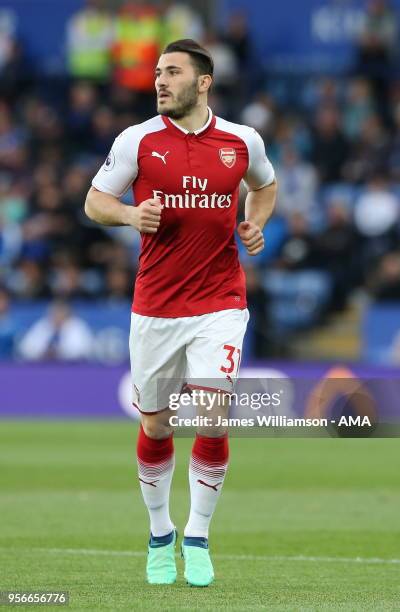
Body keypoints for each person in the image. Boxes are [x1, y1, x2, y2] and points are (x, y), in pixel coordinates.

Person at [85, 38, 277, 587]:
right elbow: (94, 200)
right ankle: (159, 532)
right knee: (156, 423)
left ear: (203, 81)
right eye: (157, 73)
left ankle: (197, 535)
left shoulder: (241, 141)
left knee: (213, 414)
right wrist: (127, 214)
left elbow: (264, 185)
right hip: (156, 305)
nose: (160, 82)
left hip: (220, 300)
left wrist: (253, 221)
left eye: (171, 72)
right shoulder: (137, 140)